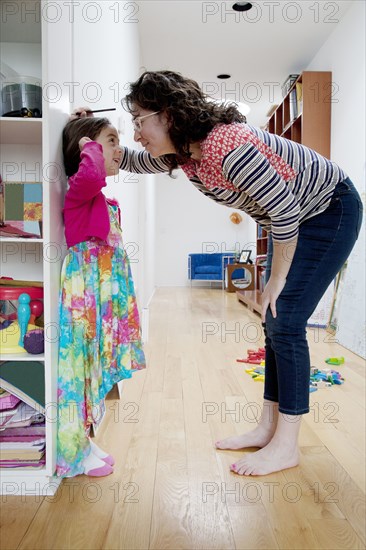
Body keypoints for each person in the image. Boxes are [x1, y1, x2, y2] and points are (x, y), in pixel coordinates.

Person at [73, 70, 363, 476]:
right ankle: (268, 427)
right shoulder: (183, 152)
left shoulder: (229, 148)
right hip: (298, 219)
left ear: (169, 114)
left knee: (286, 317)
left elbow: (284, 214)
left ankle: (287, 444)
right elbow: (131, 161)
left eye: (140, 120)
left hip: (330, 211)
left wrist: (274, 282)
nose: (136, 133)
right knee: (275, 321)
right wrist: (88, 138)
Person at [56, 117, 146, 477]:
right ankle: (72, 451)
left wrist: (92, 133)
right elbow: (90, 173)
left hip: (101, 299)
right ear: (86, 151)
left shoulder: (97, 197)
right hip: (84, 297)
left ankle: (84, 438)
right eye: (111, 141)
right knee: (78, 371)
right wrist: (87, 142)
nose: (118, 149)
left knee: (92, 370)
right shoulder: (81, 190)